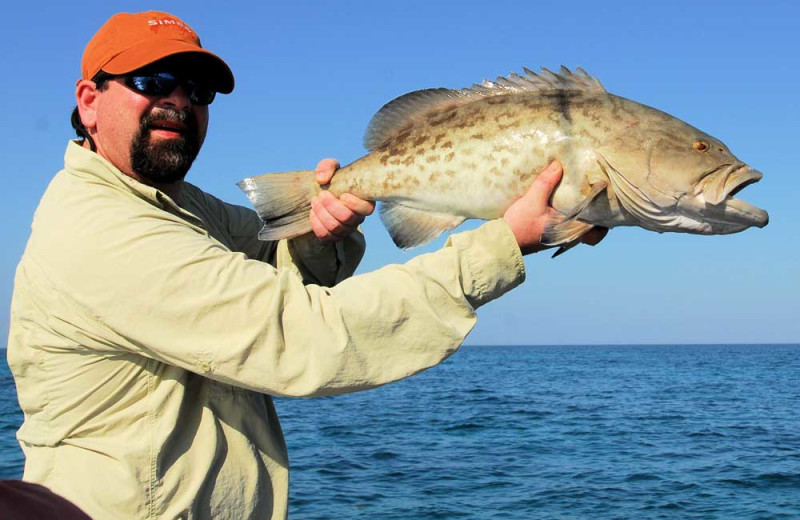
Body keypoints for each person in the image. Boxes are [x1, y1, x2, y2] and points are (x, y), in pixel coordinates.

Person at [7, 10, 605, 520]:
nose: (179, 102)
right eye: (154, 80)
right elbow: (303, 336)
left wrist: (324, 234)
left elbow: (270, 256)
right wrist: (500, 245)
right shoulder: (101, 230)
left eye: (198, 92)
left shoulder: (178, 208)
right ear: (90, 102)